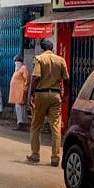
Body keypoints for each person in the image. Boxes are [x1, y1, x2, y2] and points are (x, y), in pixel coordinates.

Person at [27, 38, 69, 167]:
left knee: (36, 125)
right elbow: (66, 80)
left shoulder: (39, 59)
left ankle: (35, 154)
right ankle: (55, 158)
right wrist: (65, 94)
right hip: (56, 95)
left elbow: (36, 77)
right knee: (55, 126)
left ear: (42, 49)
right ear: (53, 49)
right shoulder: (61, 60)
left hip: (41, 94)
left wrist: (31, 94)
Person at [8, 54, 30, 131]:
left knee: (21, 108)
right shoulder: (17, 69)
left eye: (18, 61)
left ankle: (22, 124)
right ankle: (20, 123)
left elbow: (27, 79)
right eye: (16, 61)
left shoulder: (23, 68)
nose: (17, 62)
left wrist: (25, 89)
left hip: (21, 92)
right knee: (18, 108)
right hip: (16, 92)